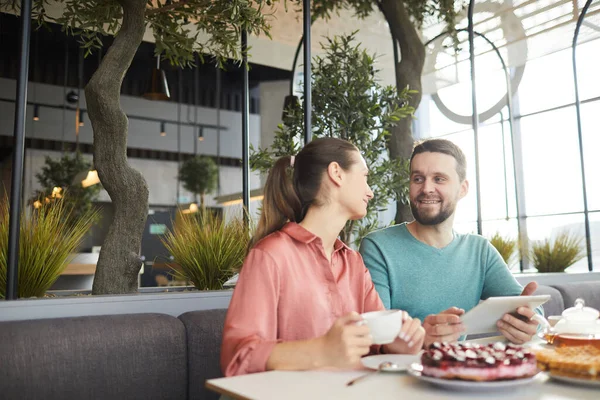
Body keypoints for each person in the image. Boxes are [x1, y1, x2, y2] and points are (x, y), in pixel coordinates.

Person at [221, 137, 425, 377]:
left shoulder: (353, 263)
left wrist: (397, 344)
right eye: (365, 176)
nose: (370, 192)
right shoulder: (270, 255)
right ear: (336, 173)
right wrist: (322, 350)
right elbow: (237, 358)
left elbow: (375, 342)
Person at [359, 138, 541, 347]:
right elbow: (375, 334)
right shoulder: (378, 246)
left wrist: (529, 320)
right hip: (397, 373)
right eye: (418, 178)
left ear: (462, 189)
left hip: (455, 373)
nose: (426, 188)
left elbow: (532, 313)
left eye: (439, 179)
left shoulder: (479, 250)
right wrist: (420, 338)